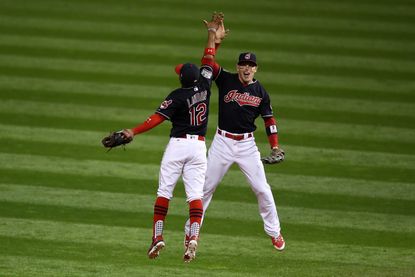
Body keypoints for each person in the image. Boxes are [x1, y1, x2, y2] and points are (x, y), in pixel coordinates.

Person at [117, 13, 224, 262]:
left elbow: (155, 119)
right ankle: (194, 236)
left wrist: (133, 130)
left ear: (180, 78)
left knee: (164, 191)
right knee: (195, 196)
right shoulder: (206, 85)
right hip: (199, 148)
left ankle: (158, 237)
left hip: (178, 146)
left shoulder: (176, 96)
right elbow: (209, 58)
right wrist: (212, 35)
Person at [184, 24, 286, 251]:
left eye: (251, 65)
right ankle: (192, 234)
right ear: (237, 67)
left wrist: (275, 146)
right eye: (243, 64)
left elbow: (269, 120)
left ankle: (274, 232)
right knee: (205, 188)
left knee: (262, 189)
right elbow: (207, 64)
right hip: (222, 142)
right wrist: (215, 40)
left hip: (247, 146)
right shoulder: (226, 79)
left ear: (256, 69)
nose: (247, 68)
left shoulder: (261, 93)